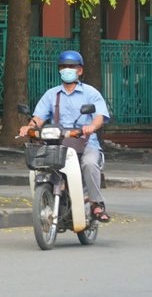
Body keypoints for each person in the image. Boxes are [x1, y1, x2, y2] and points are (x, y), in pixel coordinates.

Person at [18, 49, 111, 223]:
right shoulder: (51, 94)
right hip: (58, 144)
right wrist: (28, 127)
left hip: (85, 142)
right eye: (63, 66)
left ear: (80, 70)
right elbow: (38, 118)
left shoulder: (90, 93)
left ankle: (96, 204)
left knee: (90, 163)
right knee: (44, 166)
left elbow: (99, 116)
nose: (67, 69)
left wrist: (91, 126)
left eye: (71, 66)